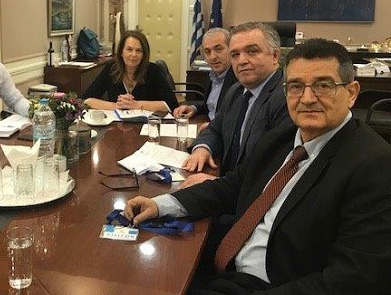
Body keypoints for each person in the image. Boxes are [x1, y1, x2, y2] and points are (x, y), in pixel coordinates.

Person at [125, 38, 391, 294]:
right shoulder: (282, 138)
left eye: (323, 85)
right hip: (227, 265)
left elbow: (354, 280)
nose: (307, 98)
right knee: (136, 274)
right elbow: (232, 187)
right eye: (296, 86)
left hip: (274, 284)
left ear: (351, 93)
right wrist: (162, 205)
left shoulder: (374, 165)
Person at [181, 22, 292, 188]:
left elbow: (273, 169)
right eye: (235, 54)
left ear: (275, 56)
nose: (242, 61)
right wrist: (203, 148)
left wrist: (219, 184)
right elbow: (215, 129)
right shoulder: (236, 91)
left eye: (252, 51)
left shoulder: (286, 98)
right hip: (228, 185)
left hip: (251, 195)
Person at [82, 30, 178, 112]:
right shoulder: (111, 69)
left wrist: (136, 105)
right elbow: (86, 99)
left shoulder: (153, 70)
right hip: (117, 125)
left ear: (143, 55)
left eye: (138, 51)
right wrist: (117, 106)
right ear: (121, 52)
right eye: (129, 49)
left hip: (146, 125)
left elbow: (171, 104)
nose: (133, 54)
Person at [173, 28, 236, 121]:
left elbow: (235, 117)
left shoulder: (239, 78)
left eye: (218, 49)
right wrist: (193, 108)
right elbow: (212, 105)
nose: (213, 57)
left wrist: (213, 127)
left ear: (231, 49)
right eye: (207, 51)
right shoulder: (213, 76)